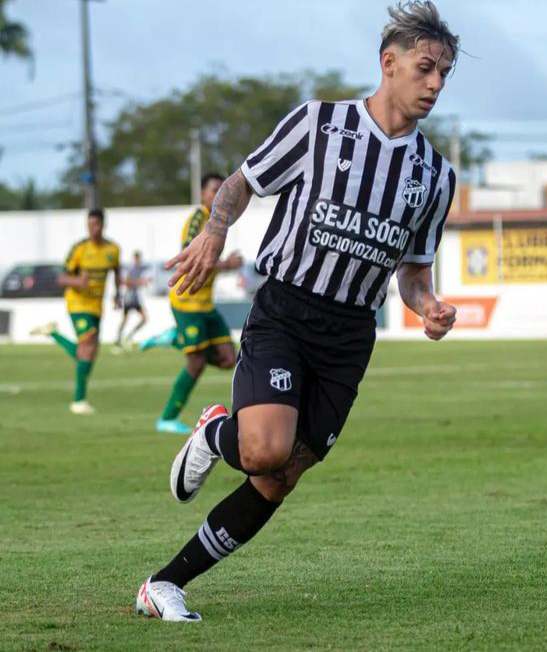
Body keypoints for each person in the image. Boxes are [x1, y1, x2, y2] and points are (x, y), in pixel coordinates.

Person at [136, 0, 458, 621]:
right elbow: (242, 181)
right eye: (425, 68)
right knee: (262, 452)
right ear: (388, 64)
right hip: (286, 310)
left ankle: (164, 585)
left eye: (444, 73)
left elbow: (414, 270)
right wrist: (215, 229)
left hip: (349, 338)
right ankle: (214, 433)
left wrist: (428, 307)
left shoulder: (435, 176)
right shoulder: (318, 126)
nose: (436, 84)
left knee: (281, 475)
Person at [142, 173, 243, 435]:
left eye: (222, 190)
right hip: (187, 302)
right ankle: (167, 418)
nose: (218, 194)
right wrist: (227, 265)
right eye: (213, 190)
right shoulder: (199, 217)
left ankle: (176, 339)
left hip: (206, 304)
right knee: (196, 363)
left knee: (228, 359)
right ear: (202, 194)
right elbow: (193, 253)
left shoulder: (220, 220)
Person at [31, 208, 120, 414]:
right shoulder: (79, 249)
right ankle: (78, 400)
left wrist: (117, 294)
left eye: (96, 224)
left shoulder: (113, 249)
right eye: (89, 225)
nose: (93, 229)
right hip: (77, 303)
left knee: (88, 353)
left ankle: (53, 333)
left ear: (103, 225)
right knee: (88, 344)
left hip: (96, 306)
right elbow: (61, 278)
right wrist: (78, 281)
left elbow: (117, 271)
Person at [115, 250, 149, 348]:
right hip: (129, 298)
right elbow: (125, 282)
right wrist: (140, 282)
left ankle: (129, 336)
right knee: (125, 319)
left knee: (144, 319)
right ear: (134, 258)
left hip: (136, 298)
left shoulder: (140, 269)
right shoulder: (131, 269)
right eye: (137, 258)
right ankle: (118, 339)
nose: (138, 260)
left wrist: (143, 282)